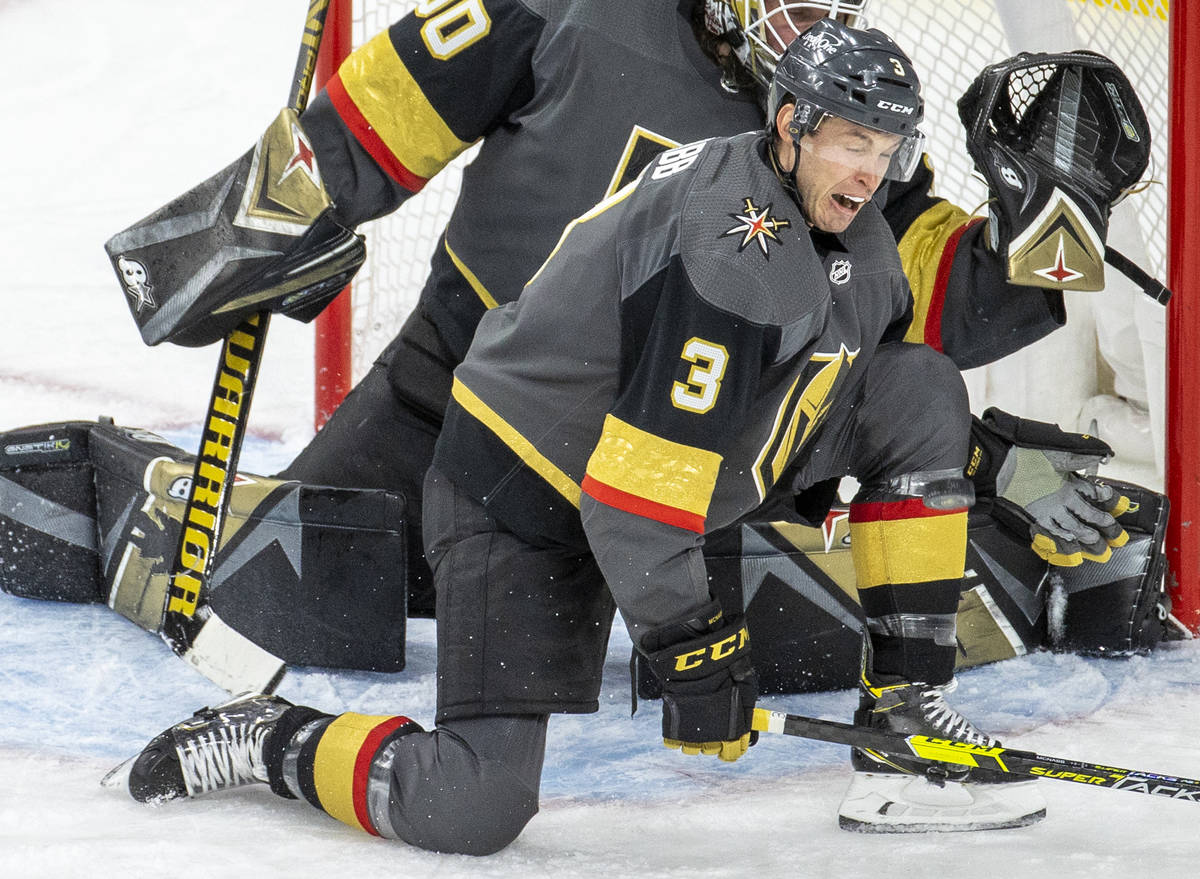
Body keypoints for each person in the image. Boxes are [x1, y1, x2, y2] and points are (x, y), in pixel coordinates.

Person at [113, 22, 1049, 848]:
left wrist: (1054, 227)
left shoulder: (852, 216)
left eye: (887, 147)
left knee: (920, 386)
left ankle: (907, 718)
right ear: (790, 123)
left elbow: (886, 364)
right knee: (469, 805)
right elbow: (633, 501)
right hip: (522, 486)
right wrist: (697, 648)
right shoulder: (731, 251)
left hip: (655, 456)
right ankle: (263, 737)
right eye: (853, 143)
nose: (871, 170)